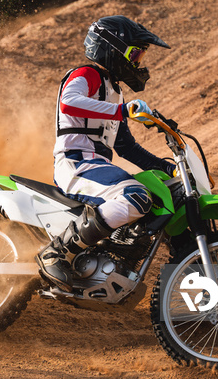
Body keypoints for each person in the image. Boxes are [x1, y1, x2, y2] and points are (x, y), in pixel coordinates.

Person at [36, 15, 176, 292]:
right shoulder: (87, 75)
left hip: (95, 164)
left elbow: (126, 148)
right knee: (135, 196)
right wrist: (121, 111)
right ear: (112, 49)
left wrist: (167, 166)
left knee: (156, 191)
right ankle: (56, 252)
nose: (138, 62)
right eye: (134, 54)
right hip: (75, 162)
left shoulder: (114, 92)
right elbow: (69, 102)